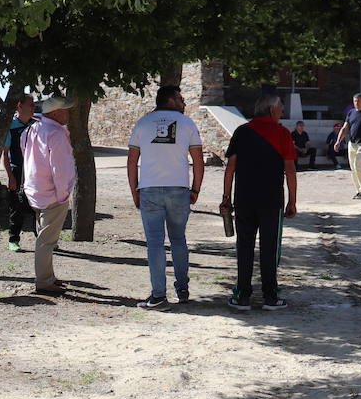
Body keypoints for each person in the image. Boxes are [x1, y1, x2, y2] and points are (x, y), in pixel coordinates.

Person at [127, 84, 204, 309]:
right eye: (181, 99)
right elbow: (198, 161)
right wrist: (195, 189)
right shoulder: (188, 123)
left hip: (150, 189)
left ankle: (158, 295)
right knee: (178, 239)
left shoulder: (142, 124)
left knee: (155, 243)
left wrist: (134, 191)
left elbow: (132, 161)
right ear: (170, 100)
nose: (184, 103)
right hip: (179, 189)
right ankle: (182, 288)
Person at [220, 94, 297, 311]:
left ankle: (242, 295)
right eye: (281, 107)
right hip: (272, 200)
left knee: (244, 246)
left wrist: (226, 197)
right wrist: (292, 201)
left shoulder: (242, 132)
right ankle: (270, 297)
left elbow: (230, 168)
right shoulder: (282, 133)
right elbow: (290, 170)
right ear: (272, 110)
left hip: (244, 198)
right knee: (270, 248)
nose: (282, 111)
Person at [21, 94, 76, 294]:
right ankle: (44, 281)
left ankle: (48, 277)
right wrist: (63, 195)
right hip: (52, 193)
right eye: (65, 110)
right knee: (46, 240)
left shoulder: (33, 128)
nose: (68, 113)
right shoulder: (56, 134)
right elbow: (60, 169)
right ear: (55, 113)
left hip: (35, 189)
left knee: (44, 237)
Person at [0, 94, 38, 252]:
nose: (33, 108)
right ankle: (13, 239)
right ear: (19, 106)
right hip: (17, 170)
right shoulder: (10, 127)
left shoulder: (36, 125)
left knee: (38, 206)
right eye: (31, 104)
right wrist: (10, 176)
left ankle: (43, 239)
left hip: (35, 171)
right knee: (16, 207)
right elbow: (5, 154)